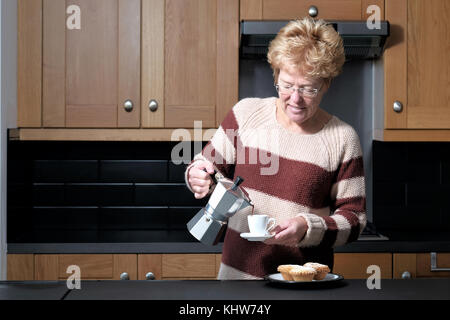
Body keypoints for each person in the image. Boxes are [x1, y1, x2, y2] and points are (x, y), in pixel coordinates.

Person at [185, 17, 366, 280]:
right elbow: (205, 166)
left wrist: (308, 227)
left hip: (303, 285)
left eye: (307, 88)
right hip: (236, 283)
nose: (295, 99)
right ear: (276, 75)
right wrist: (196, 175)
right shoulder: (245, 113)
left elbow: (355, 220)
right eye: (287, 85)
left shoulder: (343, 139)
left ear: (326, 84)